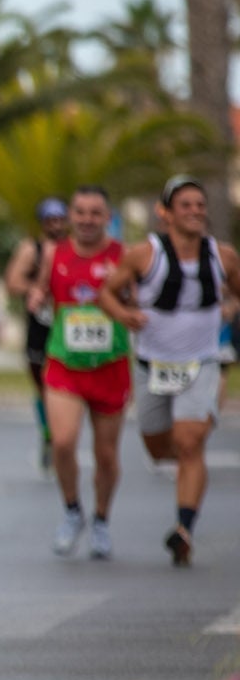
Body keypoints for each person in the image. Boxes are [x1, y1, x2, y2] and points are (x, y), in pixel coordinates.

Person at [99, 175, 237, 566]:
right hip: (152, 364)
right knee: (160, 447)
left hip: (202, 361)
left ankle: (183, 529)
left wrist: (230, 309)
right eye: (186, 206)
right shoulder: (144, 254)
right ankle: (189, 470)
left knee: (190, 441)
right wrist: (125, 314)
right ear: (166, 214)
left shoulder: (222, 256)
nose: (195, 212)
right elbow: (106, 292)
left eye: (200, 204)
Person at [28, 185, 131, 559]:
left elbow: (139, 298)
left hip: (109, 366)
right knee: (64, 441)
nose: (87, 220)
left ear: (107, 217)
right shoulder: (55, 255)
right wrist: (36, 297)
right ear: (70, 216)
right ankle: (73, 510)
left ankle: (101, 519)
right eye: (81, 212)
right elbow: (40, 291)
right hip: (65, 364)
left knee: (106, 455)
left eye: (95, 213)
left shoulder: (124, 257)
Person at [5, 197, 70, 470]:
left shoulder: (75, 249)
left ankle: (64, 433)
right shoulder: (32, 249)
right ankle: (48, 431)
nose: (55, 225)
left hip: (70, 326)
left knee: (67, 381)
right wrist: (34, 289)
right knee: (43, 382)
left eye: (59, 219)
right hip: (41, 325)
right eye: (49, 220)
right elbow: (12, 281)